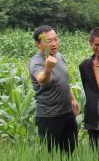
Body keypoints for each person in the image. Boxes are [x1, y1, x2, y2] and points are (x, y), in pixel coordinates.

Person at [28, 25, 80, 153]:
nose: (54, 43)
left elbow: (64, 80)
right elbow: (42, 79)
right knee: (51, 158)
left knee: (71, 154)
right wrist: (48, 68)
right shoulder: (36, 62)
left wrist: (72, 99)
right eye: (48, 41)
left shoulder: (59, 56)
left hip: (67, 114)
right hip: (49, 117)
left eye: (55, 39)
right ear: (38, 44)